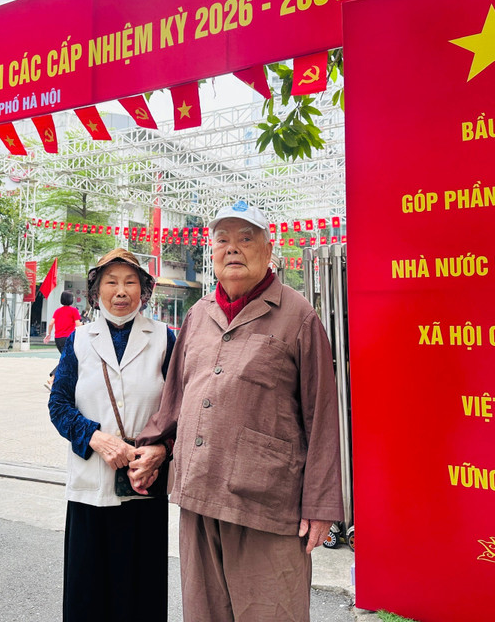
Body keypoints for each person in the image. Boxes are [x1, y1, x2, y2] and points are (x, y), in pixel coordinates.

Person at [129, 201, 344, 622]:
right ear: (211, 253)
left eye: (246, 239)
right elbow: (176, 393)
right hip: (199, 491)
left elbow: (322, 415)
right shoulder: (197, 314)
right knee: (204, 613)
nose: (233, 249)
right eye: (223, 240)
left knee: (271, 611)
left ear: (268, 251)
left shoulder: (298, 315)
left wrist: (321, 504)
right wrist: (157, 444)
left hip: (266, 502)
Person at [48, 248, 176, 622]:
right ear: (96, 291)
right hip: (91, 484)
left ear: (144, 290)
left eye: (130, 282)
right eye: (111, 282)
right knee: (88, 593)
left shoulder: (165, 339)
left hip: (144, 480)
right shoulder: (78, 341)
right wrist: (95, 438)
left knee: (142, 591)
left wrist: (161, 449)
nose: (121, 291)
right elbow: (58, 405)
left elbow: (179, 408)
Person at [43, 290, 82, 390]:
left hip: (58, 339)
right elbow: (78, 324)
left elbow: (51, 323)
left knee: (68, 359)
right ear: (71, 300)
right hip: (69, 339)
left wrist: (49, 334)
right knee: (69, 359)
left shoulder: (58, 311)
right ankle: (52, 379)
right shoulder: (73, 311)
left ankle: (61, 381)